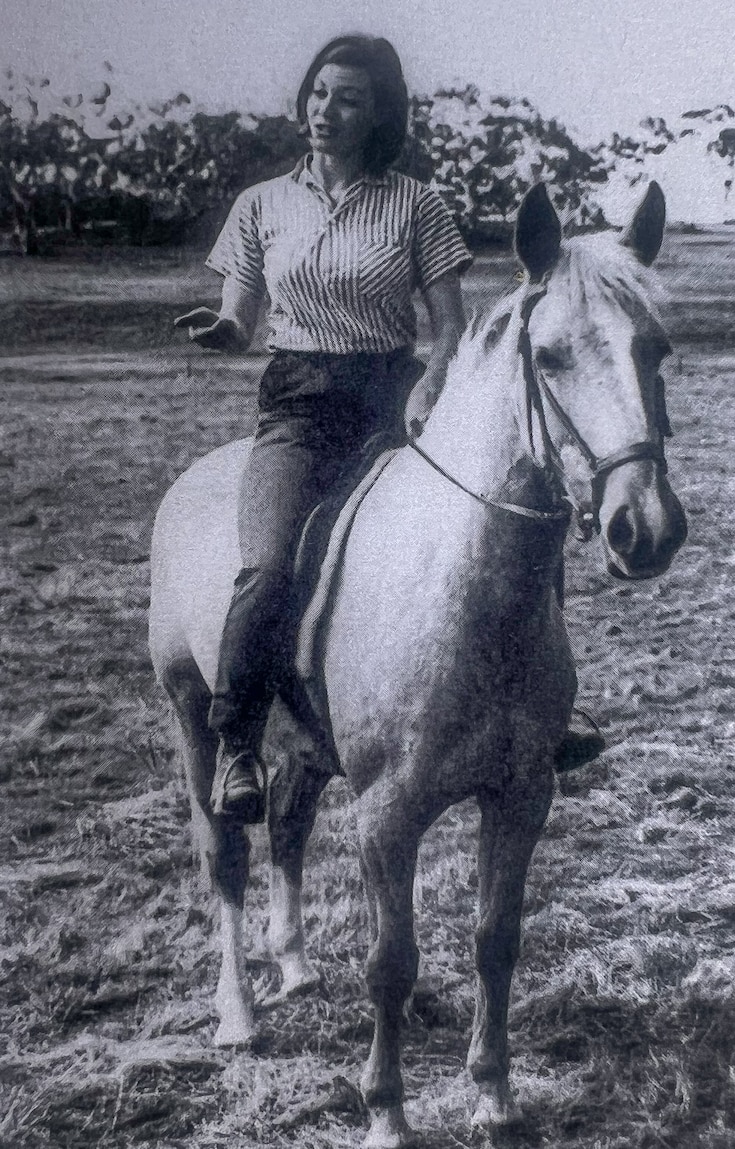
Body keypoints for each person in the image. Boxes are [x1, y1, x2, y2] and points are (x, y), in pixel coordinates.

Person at [176, 34, 603, 824]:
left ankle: (555, 703)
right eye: (317, 93)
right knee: (268, 565)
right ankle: (239, 741)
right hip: (299, 407)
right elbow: (243, 314)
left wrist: (434, 382)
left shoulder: (417, 203)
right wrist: (224, 331)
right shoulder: (262, 204)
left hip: (391, 399)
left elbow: (451, 324)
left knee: (510, 520)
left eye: (347, 99)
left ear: (379, 116)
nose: (324, 111)